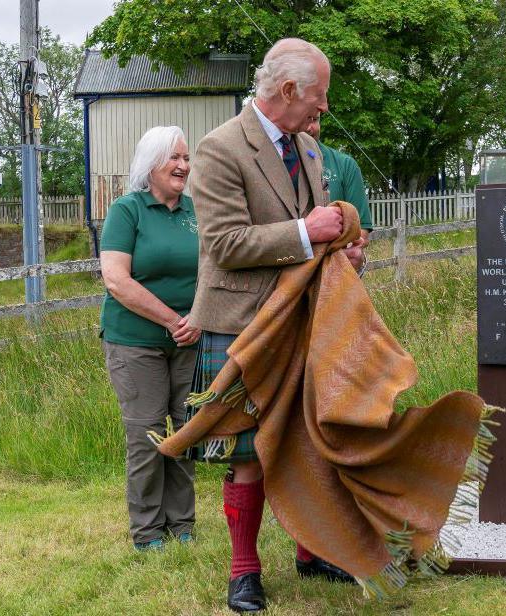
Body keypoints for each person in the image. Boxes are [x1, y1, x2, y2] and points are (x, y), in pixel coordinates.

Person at [185, 38, 365, 613]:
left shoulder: (309, 150)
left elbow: (315, 238)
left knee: (309, 439)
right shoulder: (219, 149)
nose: (324, 109)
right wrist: (308, 233)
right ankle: (244, 569)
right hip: (241, 322)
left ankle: (311, 549)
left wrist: (339, 253)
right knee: (247, 449)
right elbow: (225, 244)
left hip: (304, 317)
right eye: (319, 96)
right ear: (287, 91)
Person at [99, 125, 201, 552]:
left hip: (189, 339)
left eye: (185, 157)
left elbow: (216, 269)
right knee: (146, 434)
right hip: (135, 341)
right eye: (173, 158)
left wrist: (197, 317)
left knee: (185, 429)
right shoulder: (128, 210)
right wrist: (172, 319)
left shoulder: (198, 211)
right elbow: (116, 280)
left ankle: (182, 523)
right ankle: (147, 531)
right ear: (150, 165)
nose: (183, 165)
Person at [305, 116, 373, 241]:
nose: (309, 128)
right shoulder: (277, 163)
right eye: (304, 119)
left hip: (336, 257)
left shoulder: (345, 164)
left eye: (314, 120)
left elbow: (361, 229)